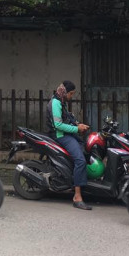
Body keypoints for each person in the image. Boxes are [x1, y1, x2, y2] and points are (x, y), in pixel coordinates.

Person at [46, 80, 92, 210]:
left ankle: (77, 181)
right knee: (80, 161)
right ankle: (77, 197)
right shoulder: (55, 103)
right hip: (60, 136)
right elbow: (58, 125)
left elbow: (67, 119)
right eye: (71, 94)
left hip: (67, 134)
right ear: (65, 92)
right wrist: (77, 129)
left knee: (86, 149)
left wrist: (78, 125)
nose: (71, 96)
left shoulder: (61, 102)